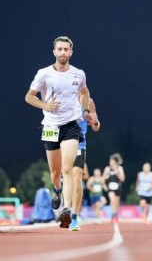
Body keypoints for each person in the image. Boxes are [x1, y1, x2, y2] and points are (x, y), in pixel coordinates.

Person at [25, 36, 94, 229]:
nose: (63, 52)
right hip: (50, 127)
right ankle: (57, 190)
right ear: (54, 52)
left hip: (71, 126)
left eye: (66, 49)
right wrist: (45, 105)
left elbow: (85, 92)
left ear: (71, 52)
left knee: (68, 170)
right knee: (55, 174)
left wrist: (86, 110)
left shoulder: (79, 74)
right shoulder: (43, 74)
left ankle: (68, 212)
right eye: (60, 49)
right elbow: (29, 97)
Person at [69, 98, 100, 231]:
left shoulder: (89, 102)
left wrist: (95, 122)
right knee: (60, 176)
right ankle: (58, 191)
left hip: (79, 144)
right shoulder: (63, 96)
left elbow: (96, 127)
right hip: (62, 142)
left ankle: (74, 217)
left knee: (77, 177)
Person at [103, 153, 125, 223]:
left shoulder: (120, 168)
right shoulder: (107, 168)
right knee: (112, 200)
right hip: (110, 188)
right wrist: (106, 177)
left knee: (116, 202)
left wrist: (117, 173)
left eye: (111, 161)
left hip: (118, 188)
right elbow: (102, 179)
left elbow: (123, 179)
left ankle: (116, 214)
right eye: (110, 160)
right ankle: (113, 214)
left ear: (115, 161)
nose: (110, 162)